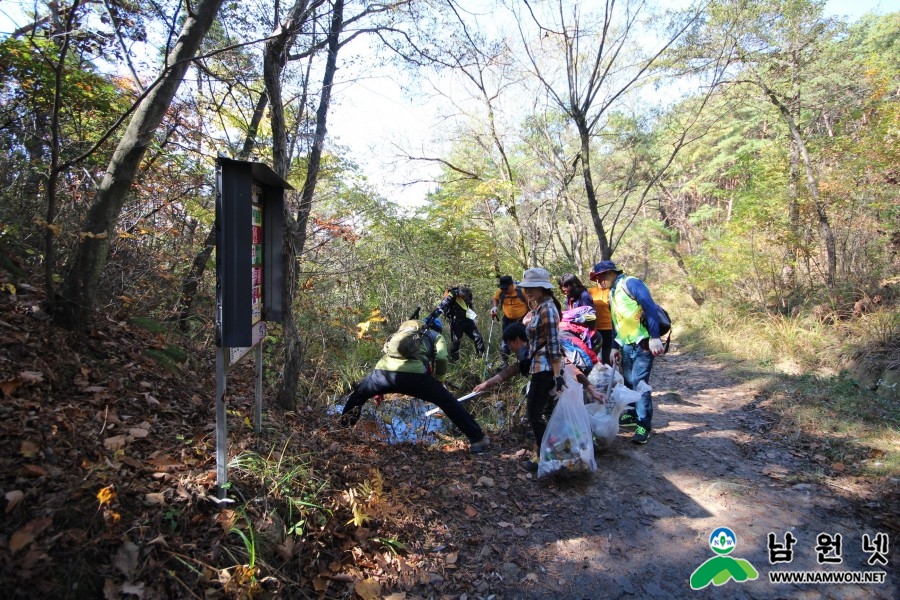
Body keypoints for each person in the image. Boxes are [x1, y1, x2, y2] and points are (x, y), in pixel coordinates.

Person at [341, 317, 490, 453]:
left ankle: (342, 431)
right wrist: (439, 380)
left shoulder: (402, 333)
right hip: (416, 377)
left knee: (358, 396)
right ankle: (478, 439)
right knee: (449, 403)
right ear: (437, 329)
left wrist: (378, 390)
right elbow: (442, 357)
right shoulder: (435, 336)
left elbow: (389, 355)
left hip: (382, 374)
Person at [589, 260, 666, 444]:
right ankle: (632, 414)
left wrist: (655, 337)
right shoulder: (613, 292)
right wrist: (615, 346)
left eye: (601, 278)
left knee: (640, 383)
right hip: (627, 344)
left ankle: (643, 425)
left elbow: (649, 306)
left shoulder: (630, 283)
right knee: (629, 380)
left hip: (643, 343)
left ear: (610, 273)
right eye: (597, 280)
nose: (599, 283)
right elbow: (618, 322)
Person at [505, 267, 565, 470]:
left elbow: (554, 343)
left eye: (533, 287)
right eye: (526, 287)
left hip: (546, 369)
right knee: (536, 414)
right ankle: (547, 453)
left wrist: (557, 375)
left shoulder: (548, 309)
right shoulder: (539, 307)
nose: (528, 291)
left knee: (534, 415)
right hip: (539, 367)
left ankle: (545, 456)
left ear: (543, 287)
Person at [437, 285, 486, 361]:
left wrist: (473, 318)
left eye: (466, 296)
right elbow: (444, 304)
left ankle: (481, 358)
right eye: (463, 297)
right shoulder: (453, 294)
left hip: (468, 321)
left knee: (478, 338)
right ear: (459, 294)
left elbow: (470, 307)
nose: (465, 298)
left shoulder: (469, 295)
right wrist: (438, 311)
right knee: (456, 343)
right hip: (456, 322)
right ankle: (454, 361)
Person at [490, 275, 529, 359]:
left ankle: (524, 358)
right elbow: (495, 298)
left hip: (521, 320)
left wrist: (532, 315)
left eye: (506, 288)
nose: (504, 290)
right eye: (502, 288)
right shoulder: (500, 291)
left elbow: (530, 304)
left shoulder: (521, 291)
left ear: (511, 285)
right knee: (506, 339)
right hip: (508, 319)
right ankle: (504, 360)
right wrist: (495, 306)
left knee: (523, 339)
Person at [587, 281, 614, 366]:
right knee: (595, 355)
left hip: (608, 328)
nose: (600, 281)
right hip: (594, 327)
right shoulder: (591, 291)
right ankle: (596, 376)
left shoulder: (611, 291)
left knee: (607, 355)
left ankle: (609, 376)